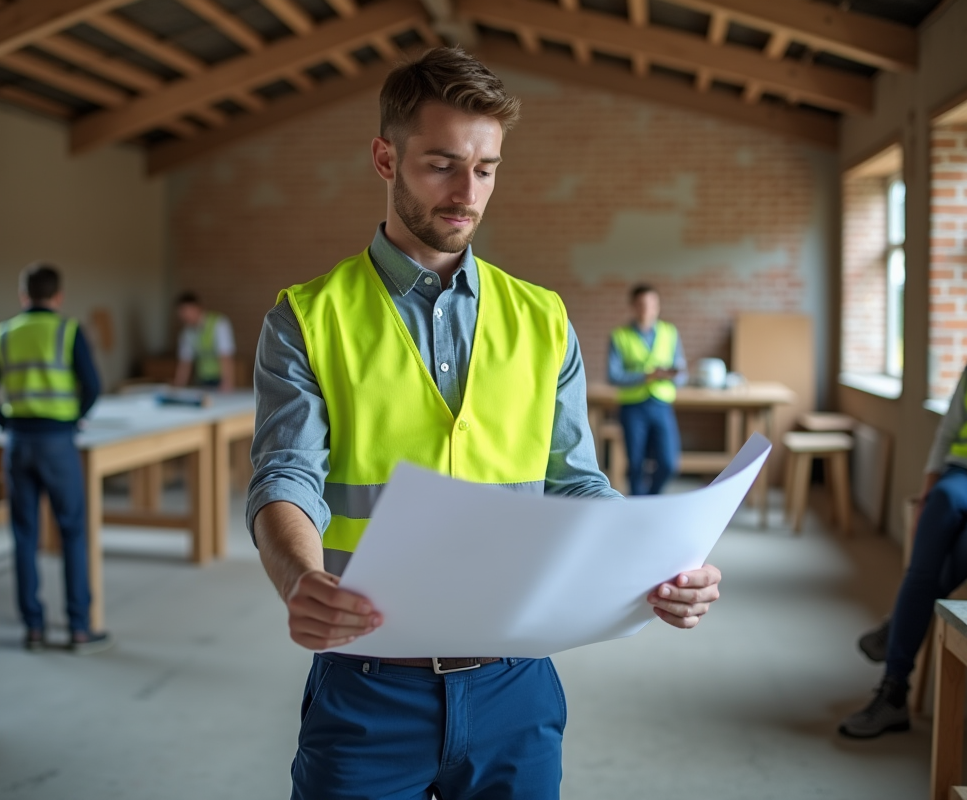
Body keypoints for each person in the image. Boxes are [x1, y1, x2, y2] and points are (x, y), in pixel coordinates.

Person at [247, 47, 724, 799]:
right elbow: (286, 474)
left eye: (487, 167)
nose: (467, 192)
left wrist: (654, 565)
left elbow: (574, 482)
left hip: (517, 687)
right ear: (385, 157)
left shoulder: (542, 318)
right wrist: (298, 578)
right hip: (368, 681)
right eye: (441, 164)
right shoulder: (306, 317)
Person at [840, 313, 967, 738]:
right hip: (963, 472)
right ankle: (894, 692)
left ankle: (899, 624)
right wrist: (929, 490)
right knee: (941, 509)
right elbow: (947, 433)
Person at [0, 263, 112, 655]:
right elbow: (94, 385)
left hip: (18, 442)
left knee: (23, 535)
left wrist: (6, 423)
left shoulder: (2, 333)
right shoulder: (67, 330)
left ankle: (33, 627)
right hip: (57, 442)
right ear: (58, 296)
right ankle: (79, 629)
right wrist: (74, 418)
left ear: (23, 295)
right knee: (71, 532)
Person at [607, 284, 687, 495]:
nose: (647, 309)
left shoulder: (670, 333)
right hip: (633, 407)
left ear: (658, 307)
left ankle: (651, 500)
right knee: (635, 464)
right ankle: (637, 507)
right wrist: (646, 376)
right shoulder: (619, 336)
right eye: (642, 304)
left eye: (652, 304)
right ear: (633, 306)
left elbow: (682, 373)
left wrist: (672, 376)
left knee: (668, 462)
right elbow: (614, 376)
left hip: (661, 405)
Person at [173, 291, 235, 391]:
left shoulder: (219, 323)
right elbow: (185, 362)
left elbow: (225, 356)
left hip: (219, 379)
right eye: (182, 312)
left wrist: (227, 382)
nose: (186, 316)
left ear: (198, 308)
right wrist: (178, 387)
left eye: (188, 311)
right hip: (202, 380)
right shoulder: (187, 333)